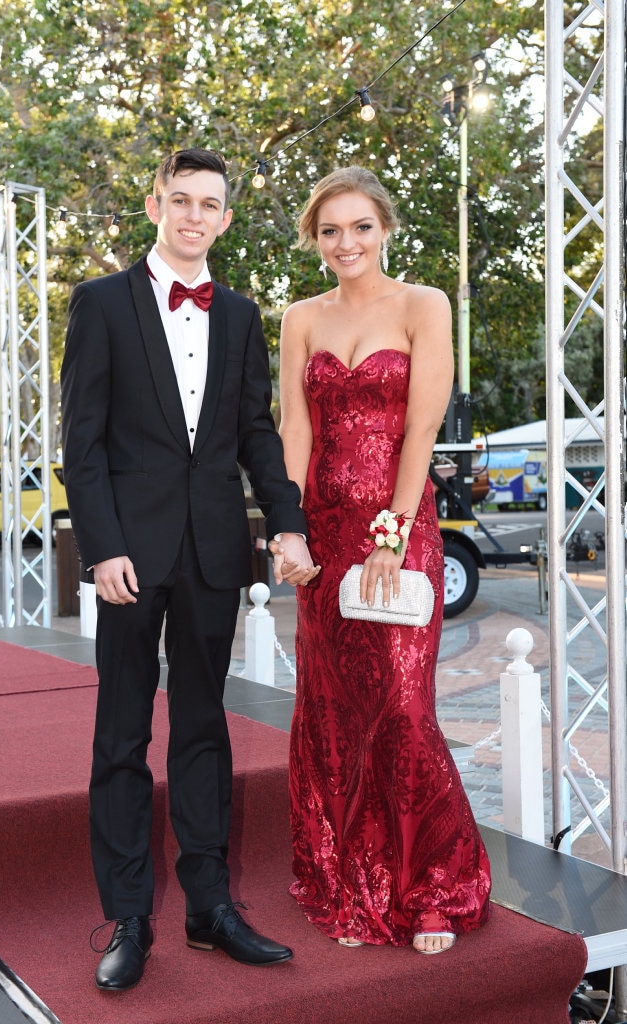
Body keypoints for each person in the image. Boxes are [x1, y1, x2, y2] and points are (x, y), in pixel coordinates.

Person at [60, 147, 319, 991]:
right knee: (123, 736)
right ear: (153, 205)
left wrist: (285, 521)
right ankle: (129, 916)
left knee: (204, 731)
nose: (193, 216)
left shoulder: (240, 315)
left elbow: (254, 433)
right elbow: (83, 442)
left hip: (213, 549)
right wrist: (100, 545)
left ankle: (209, 908)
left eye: (209, 204)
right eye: (180, 201)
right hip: (129, 556)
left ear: (226, 219)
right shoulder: (100, 303)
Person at [275, 166, 491, 955]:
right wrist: (286, 528)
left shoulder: (423, 305)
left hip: (398, 525)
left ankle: (434, 884)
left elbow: (421, 431)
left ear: (385, 229)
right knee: (334, 712)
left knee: (401, 707)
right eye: (330, 230)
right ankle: (353, 879)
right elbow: (293, 431)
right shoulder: (300, 316)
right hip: (322, 539)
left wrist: (392, 535)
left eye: (360, 226)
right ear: (315, 238)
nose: (346, 242)